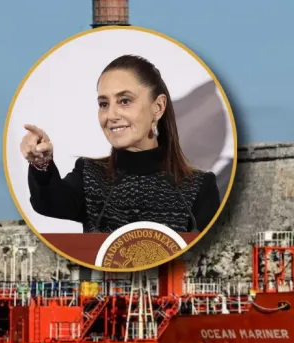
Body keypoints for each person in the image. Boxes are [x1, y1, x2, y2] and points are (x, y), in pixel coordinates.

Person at [20, 54, 220, 233]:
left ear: (158, 107)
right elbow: (49, 202)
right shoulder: (90, 175)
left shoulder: (198, 187)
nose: (111, 115)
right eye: (104, 104)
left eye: (124, 101)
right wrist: (41, 163)